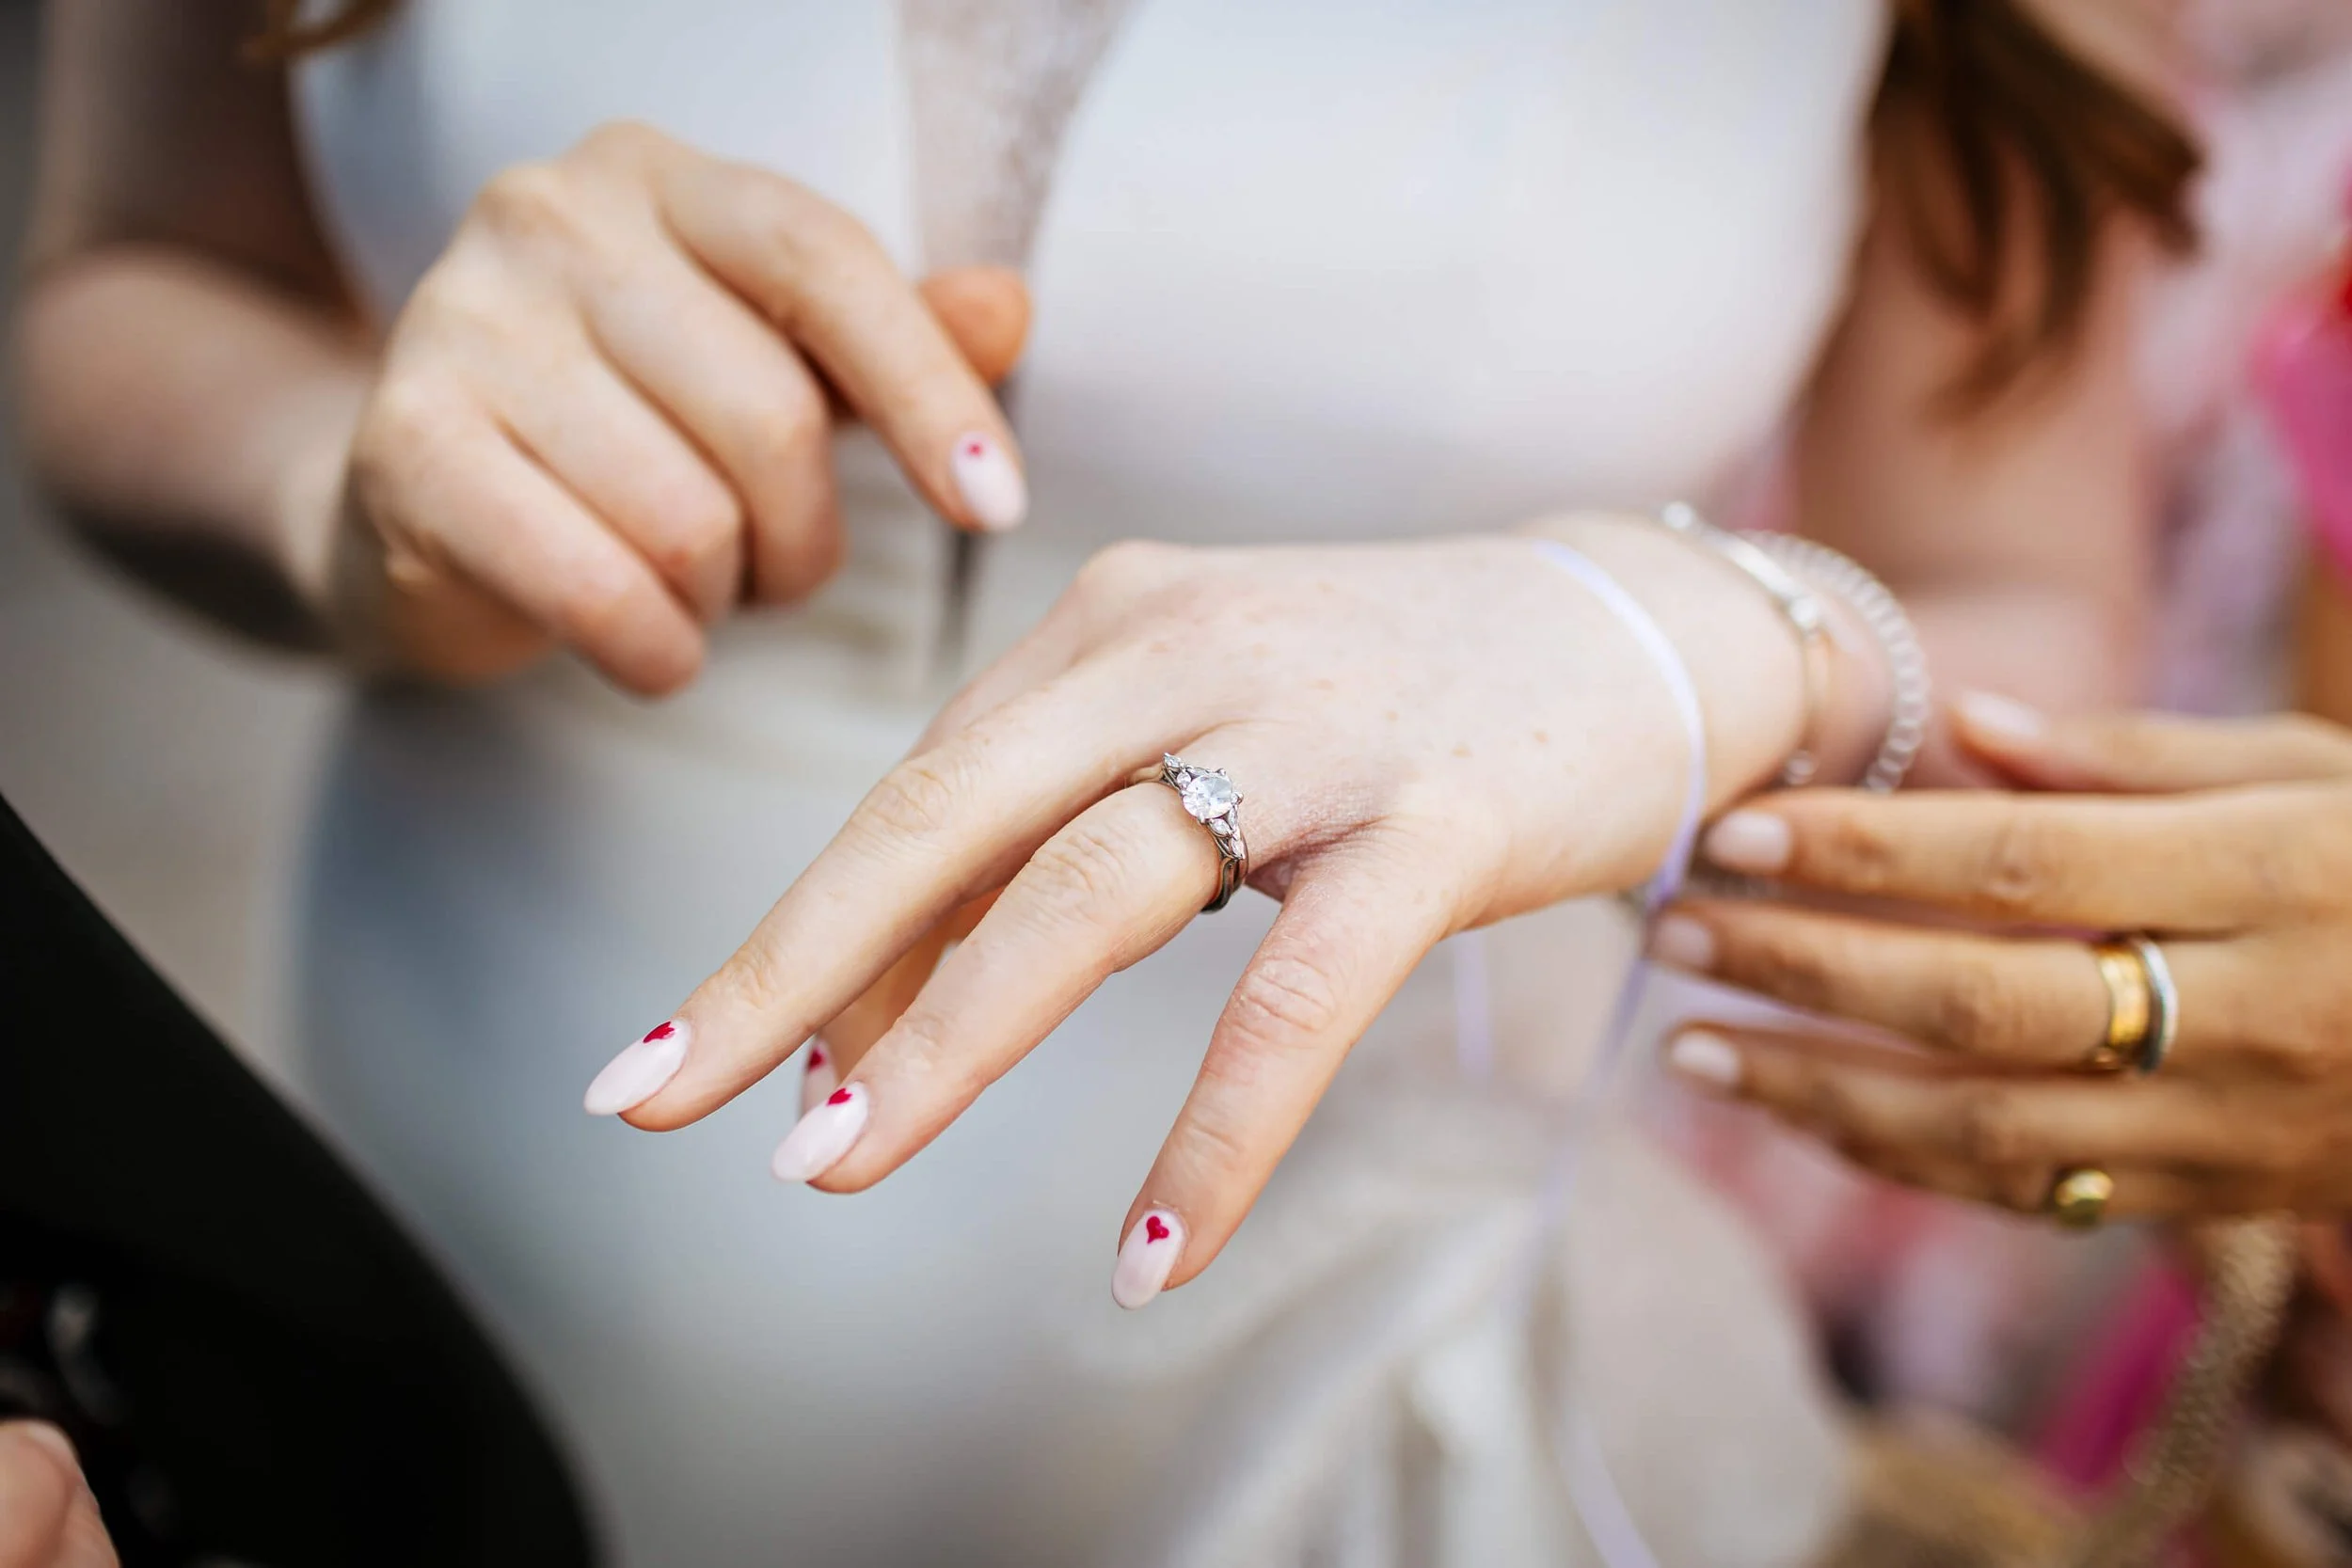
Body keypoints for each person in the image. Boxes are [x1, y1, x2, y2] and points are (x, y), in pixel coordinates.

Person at [13, 1, 2204, 1561]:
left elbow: (2010, 601)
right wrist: (362, 486)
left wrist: (1688, 632)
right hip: (448, 1186)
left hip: (1328, 1364)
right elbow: (129, 279)